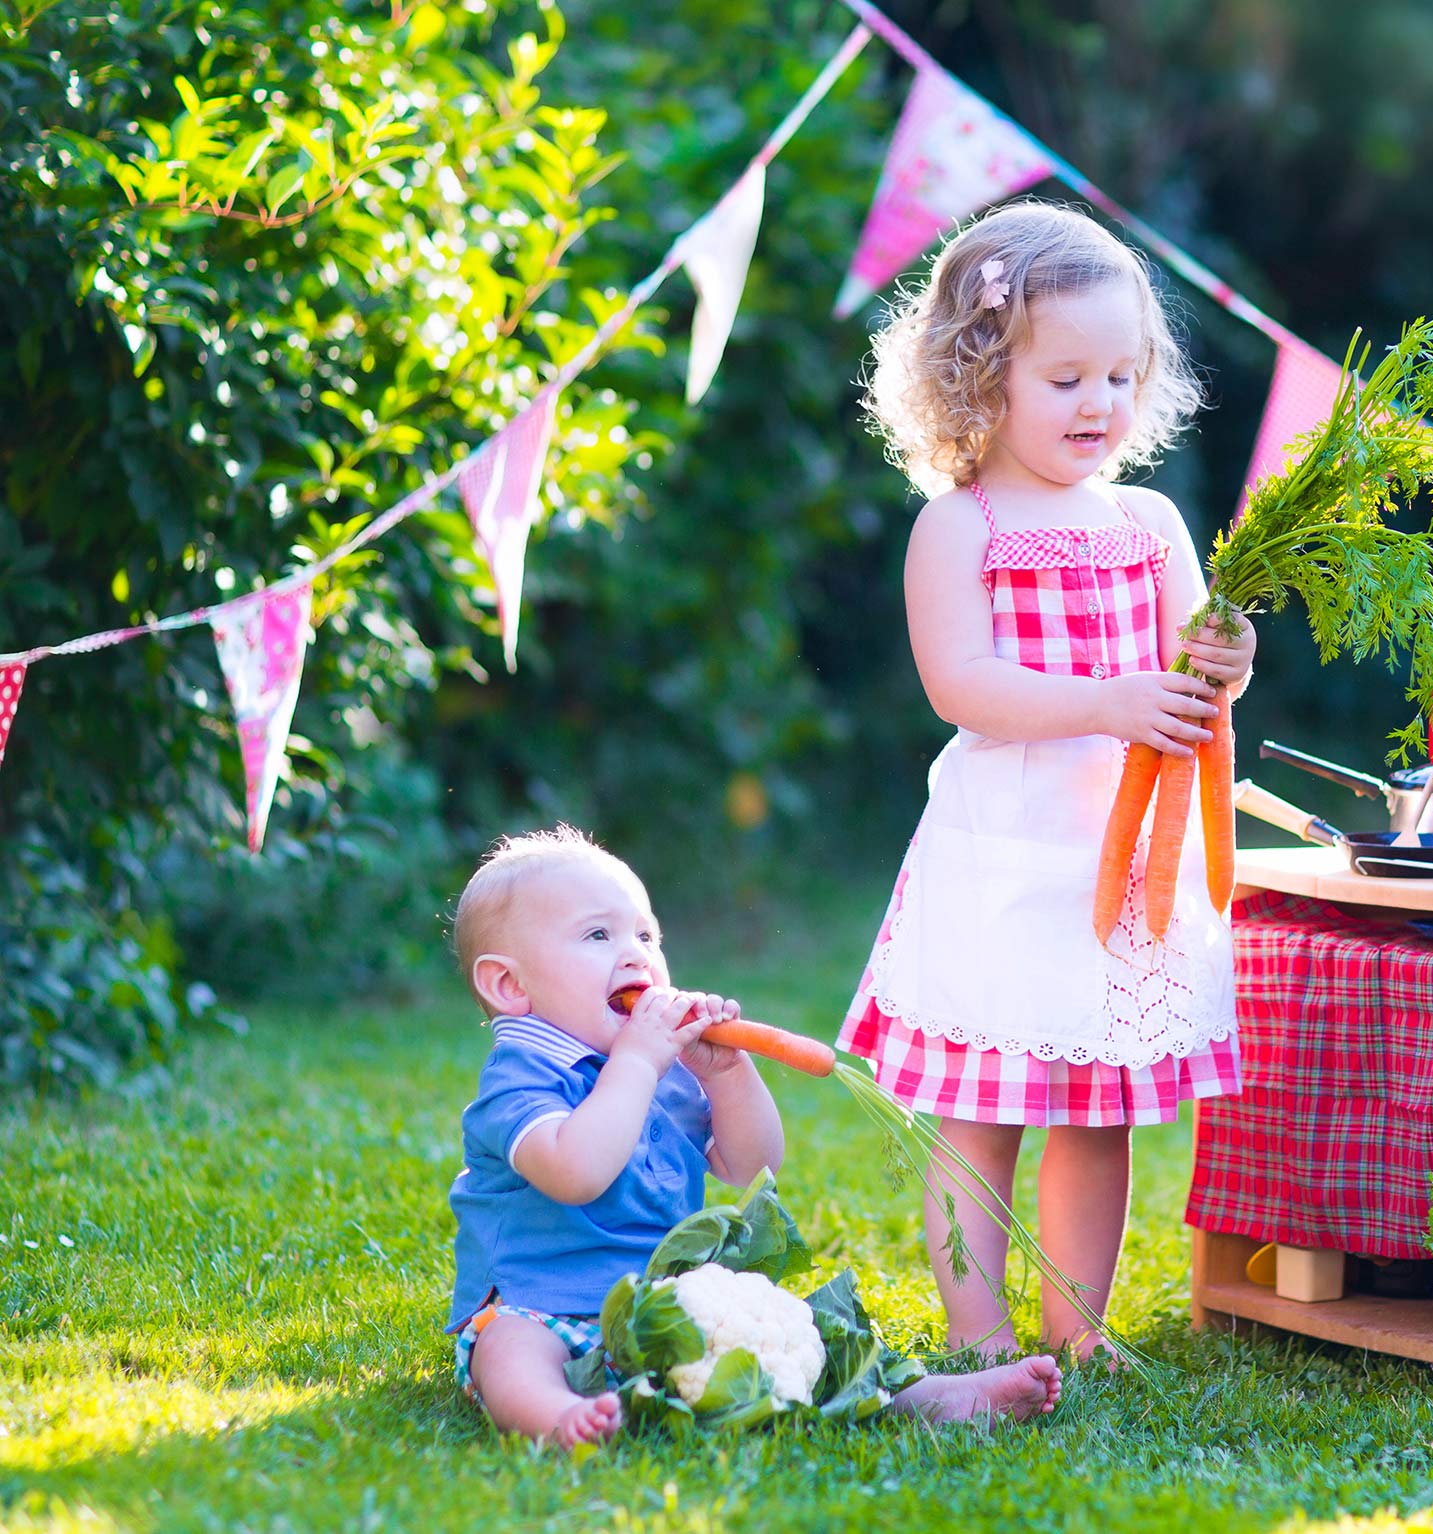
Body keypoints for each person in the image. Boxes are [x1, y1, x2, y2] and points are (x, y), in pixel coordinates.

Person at [842, 202, 1255, 1360]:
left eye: (1119, 375)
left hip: (1122, 870)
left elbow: (1191, 672)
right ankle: (977, 1331)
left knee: (1098, 1116)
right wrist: (1106, 702)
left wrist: (1224, 662)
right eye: (1066, 377)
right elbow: (961, 686)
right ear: (980, 381)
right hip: (1005, 862)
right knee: (976, 1121)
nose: (1099, 404)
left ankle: (1078, 1328)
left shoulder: (1150, 518)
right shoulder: (958, 527)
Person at [445, 826, 1062, 1447]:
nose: (635, 955)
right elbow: (575, 1171)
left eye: (645, 934)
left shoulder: (655, 1062)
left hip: (661, 1311)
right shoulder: (522, 1078)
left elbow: (752, 1166)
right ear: (510, 986)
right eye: (598, 935)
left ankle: (921, 1396)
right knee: (506, 1348)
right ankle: (554, 1415)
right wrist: (636, 1064)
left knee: (812, 1329)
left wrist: (729, 1073)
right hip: (539, 1304)